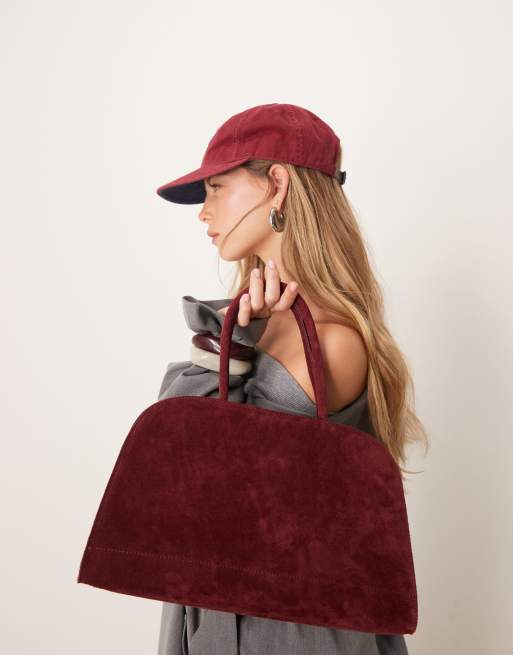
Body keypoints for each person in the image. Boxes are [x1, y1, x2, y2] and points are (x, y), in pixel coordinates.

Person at [154, 103, 428, 655]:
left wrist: (229, 347)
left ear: (276, 184)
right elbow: (170, 467)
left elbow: (205, 472)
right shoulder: (255, 326)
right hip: (218, 619)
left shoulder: (332, 342)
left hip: (287, 631)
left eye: (216, 188)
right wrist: (232, 341)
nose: (203, 212)